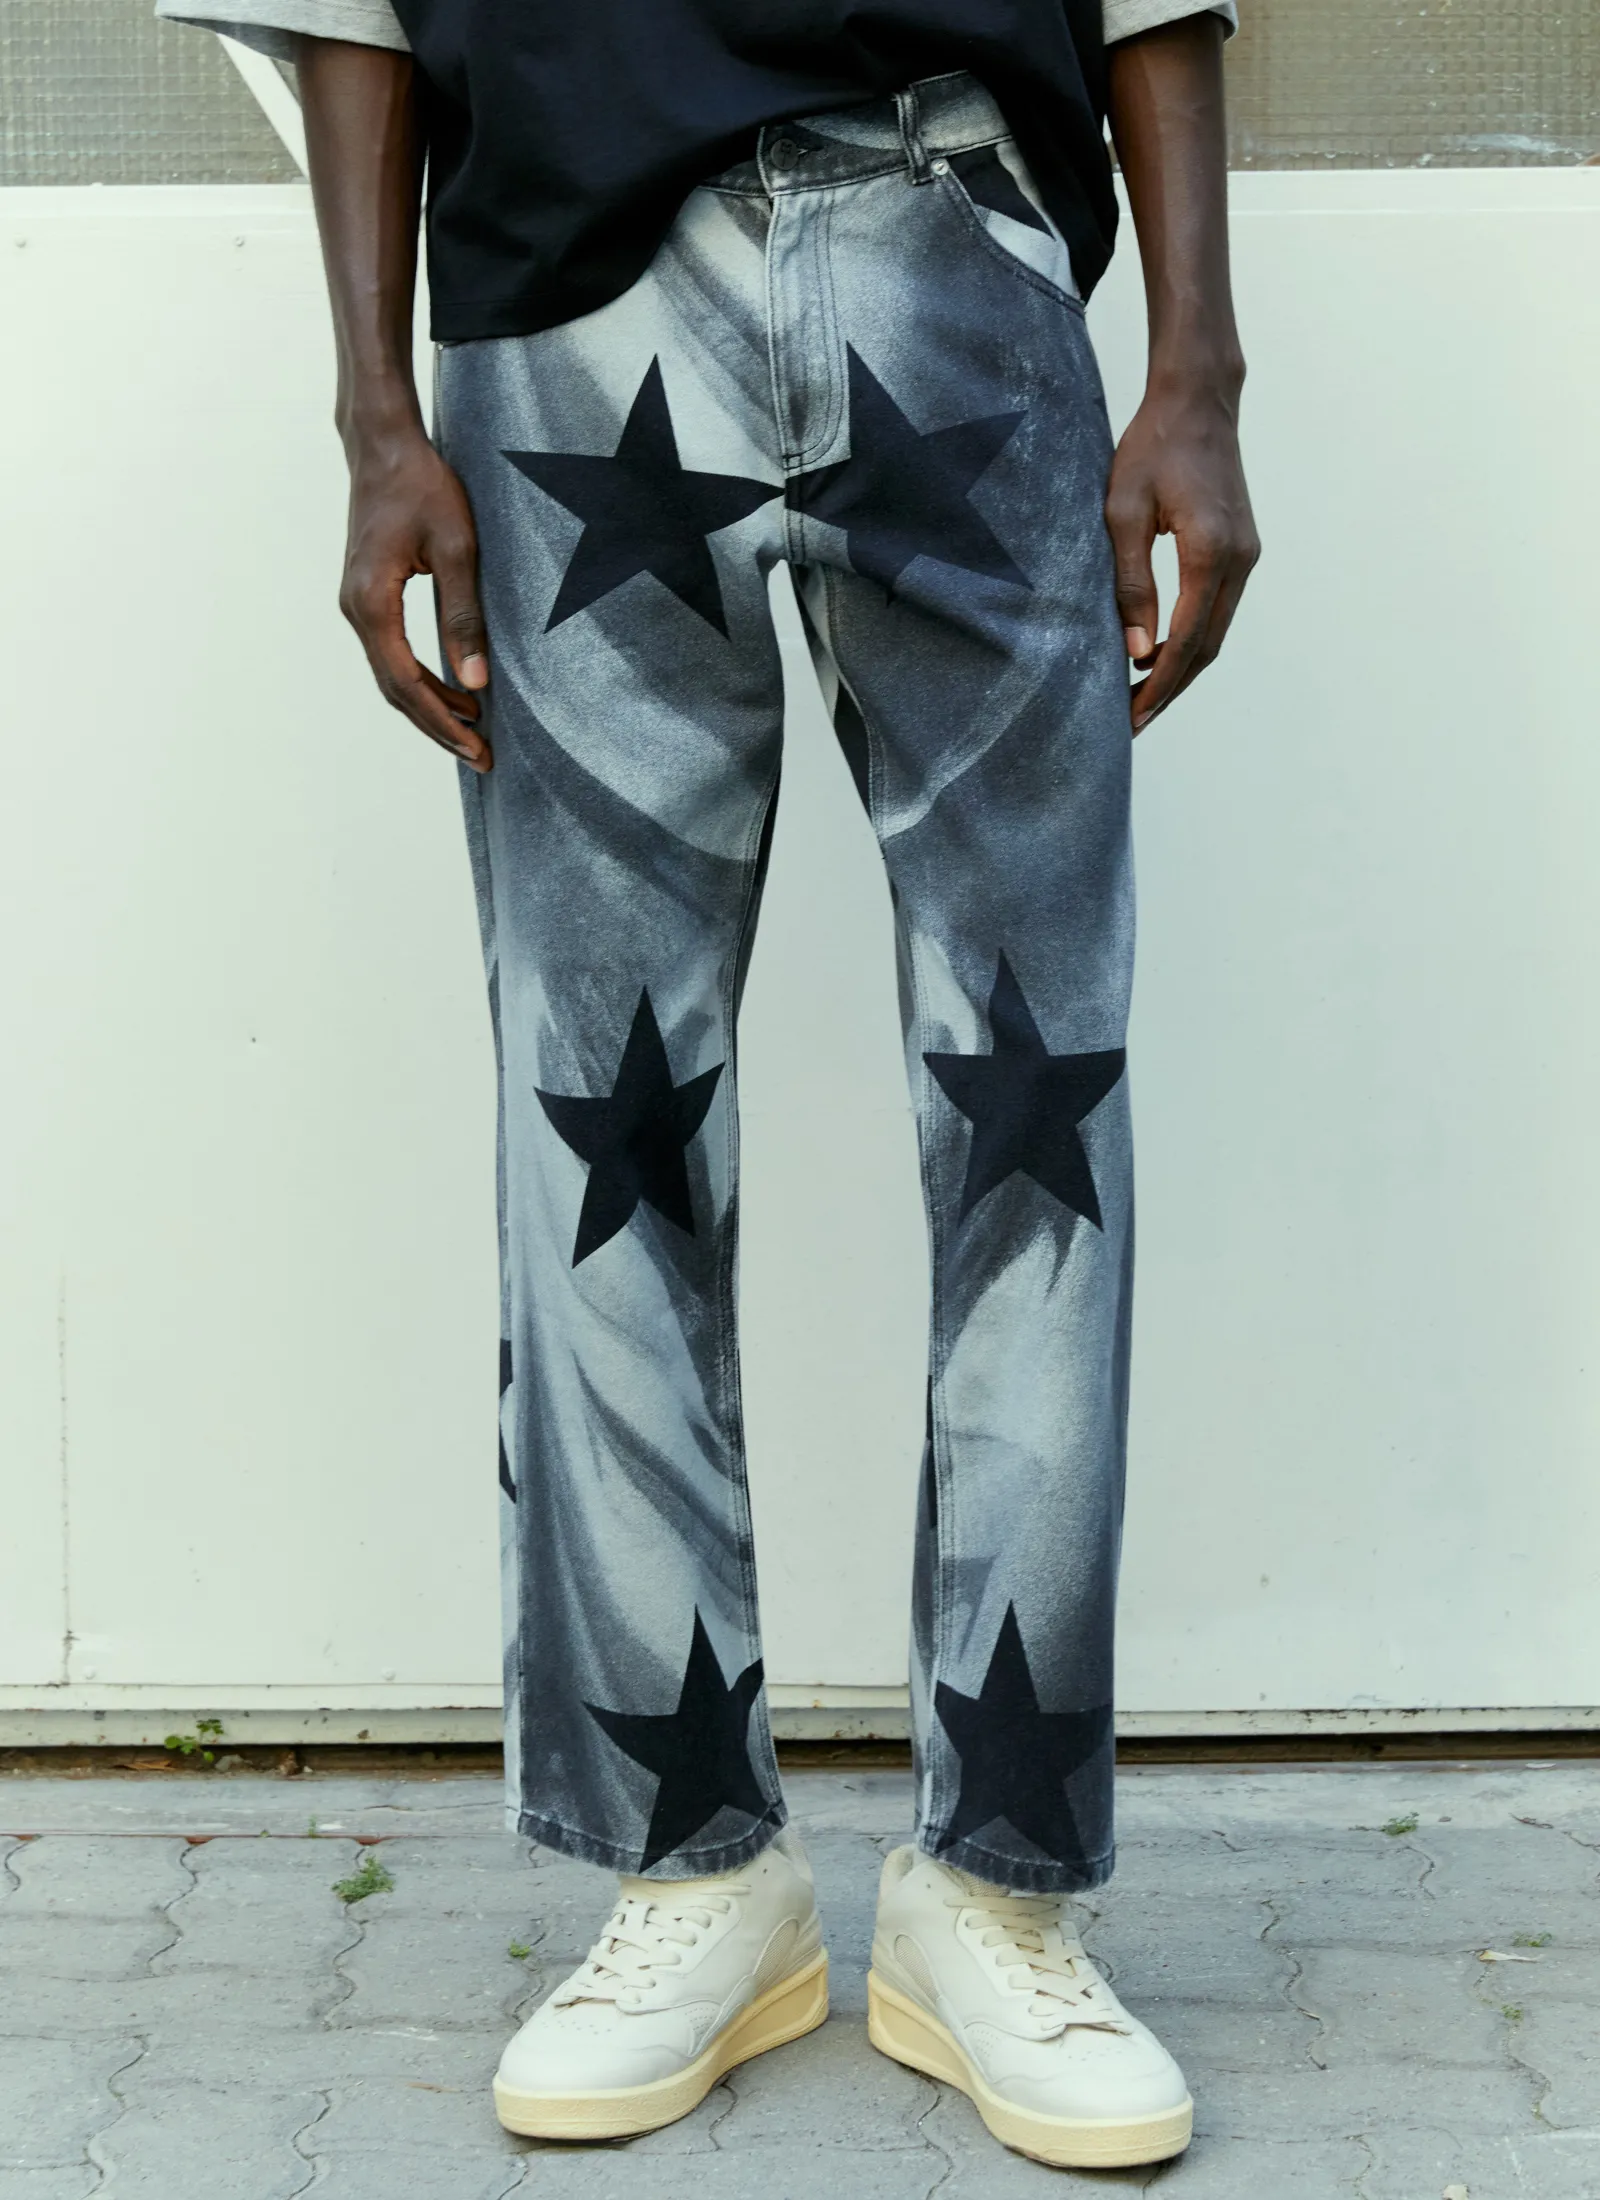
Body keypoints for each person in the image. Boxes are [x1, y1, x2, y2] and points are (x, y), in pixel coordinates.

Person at [158, 0, 1258, 2166]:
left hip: (956, 246)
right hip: (575, 300)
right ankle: (691, 1867)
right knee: (601, 1121)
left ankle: (998, 1887)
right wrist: (374, 416)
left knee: (1036, 1112)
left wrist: (1198, 376)